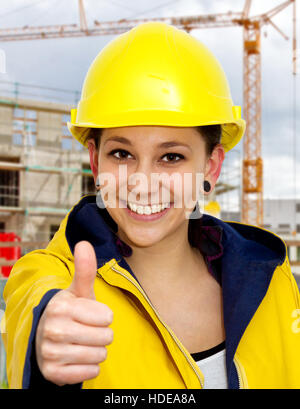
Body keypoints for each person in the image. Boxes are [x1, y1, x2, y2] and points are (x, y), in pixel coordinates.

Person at [2, 21, 300, 390]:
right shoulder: (51, 280)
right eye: (121, 153)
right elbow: (34, 309)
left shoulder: (273, 282)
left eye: (171, 157)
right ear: (95, 164)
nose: (142, 183)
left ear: (210, 165)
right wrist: (47, 342)